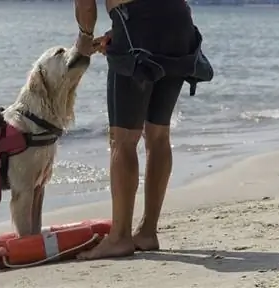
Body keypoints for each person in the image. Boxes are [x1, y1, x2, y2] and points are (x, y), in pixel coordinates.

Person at [73, 0, 211, 259]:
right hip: (179, 22)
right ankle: (147, 232)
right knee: (158, 134)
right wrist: (125, 29)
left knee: (123, 140)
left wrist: (84, 39)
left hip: (136, 24)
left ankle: (120, 237)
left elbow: (85, 6)